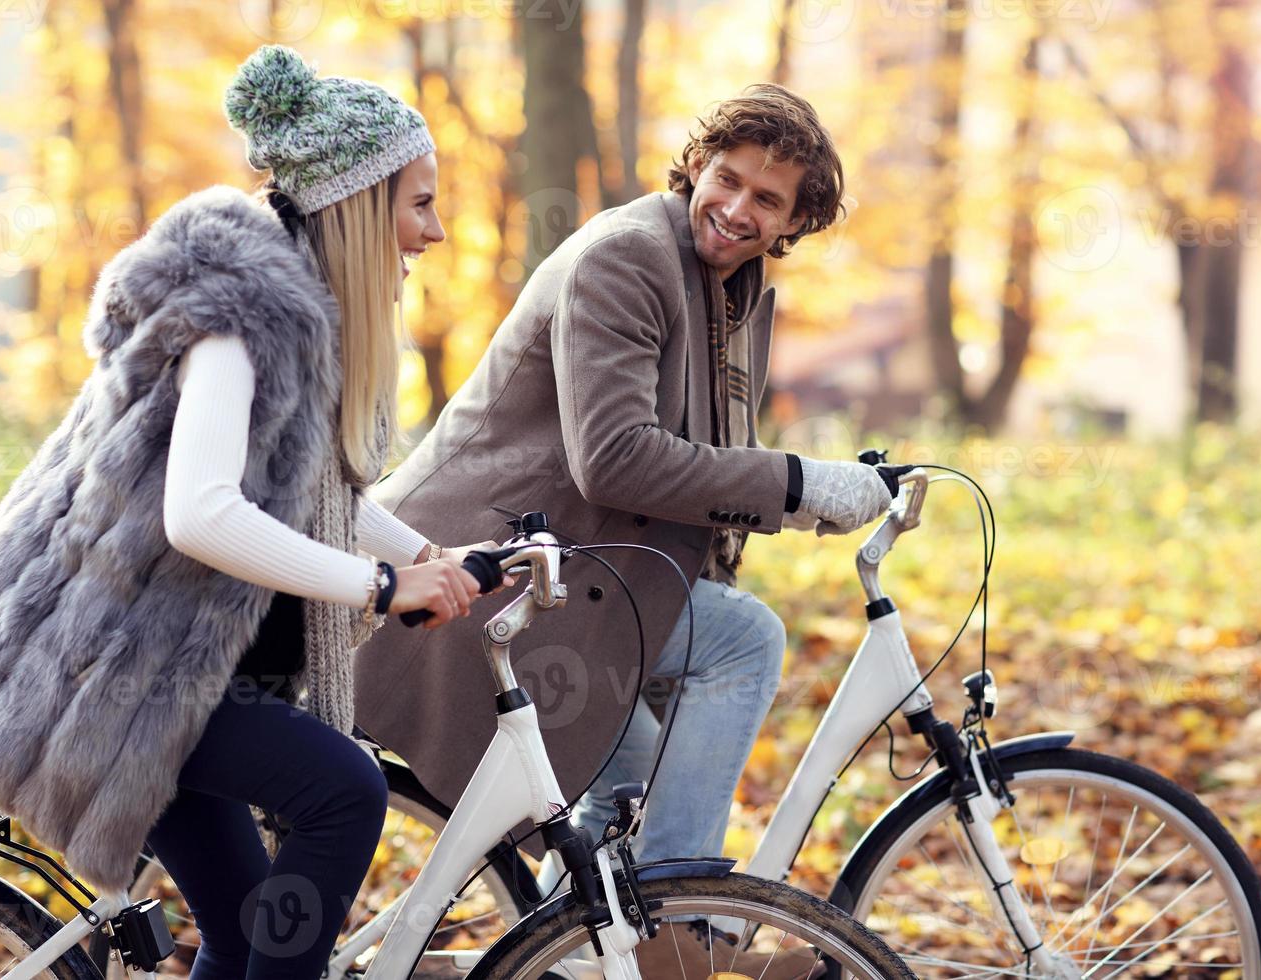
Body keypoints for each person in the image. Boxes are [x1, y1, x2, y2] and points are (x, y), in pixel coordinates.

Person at [0, 45, 490, 980]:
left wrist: (435, 553)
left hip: (168, 673)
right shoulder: (237, 319)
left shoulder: (301, 315)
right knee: (343, 791)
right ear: (355, 205)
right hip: (99, 676)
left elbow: (318, 500)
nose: (435, 231)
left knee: (242, 933)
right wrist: (380, 585)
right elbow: (203, 516)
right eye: (420, 202)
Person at [353, 84, 898, 970]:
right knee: (743, 643)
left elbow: (709, 460)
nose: (737, 208)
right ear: (694, 168)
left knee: (632, 787)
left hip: (584, 577)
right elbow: (612, 459)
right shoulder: (628, 257)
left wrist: (809, 502)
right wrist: (796, 484)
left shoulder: (738, 290)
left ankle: (595, 952)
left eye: (769, 199)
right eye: (727, 179)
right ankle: (680, 947)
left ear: (795, 220)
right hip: (485, 568)